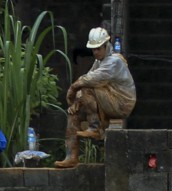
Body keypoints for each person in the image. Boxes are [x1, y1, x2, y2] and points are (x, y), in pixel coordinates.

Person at [57, 28, 137, 169]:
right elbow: (88, 78)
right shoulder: (99, 61)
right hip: (106, 100)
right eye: (93, 49)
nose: (95, 52)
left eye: (98, 49)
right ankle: (71, 157)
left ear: (106, 46)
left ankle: (95, 127)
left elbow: (90, 80)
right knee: (73, 113)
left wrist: (73, 88)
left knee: (88, 85)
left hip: (121, 103)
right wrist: (77, 102)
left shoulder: (114, 61)